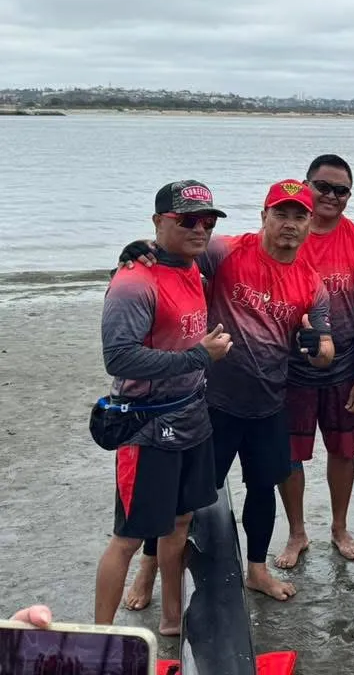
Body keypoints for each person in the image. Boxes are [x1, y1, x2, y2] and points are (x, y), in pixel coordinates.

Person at [119, 179, 335, 604]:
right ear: (264, 217)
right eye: (281, 214)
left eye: (299, 216)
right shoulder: (227, 251)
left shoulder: (313, 283)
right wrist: (138, 248)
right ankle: (147, 569)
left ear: (310, 223)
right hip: (212, 403)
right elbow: (177, 247)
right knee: (182, 498)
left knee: (263, 487)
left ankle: (256, 569)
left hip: (269, 405)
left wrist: (316, 350)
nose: (289, 224)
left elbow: (325, 349)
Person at [93, 181, 232, 635]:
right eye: (187, 220)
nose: (200, 229)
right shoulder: (134, 282)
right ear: (158, 222)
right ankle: (101, 637)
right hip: (147, 425)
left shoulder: (191, 266)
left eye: (207, 220)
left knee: (181, 522)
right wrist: (198, 357)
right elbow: (119, 357)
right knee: (130, 537)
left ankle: (173, 617)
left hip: (192, 415)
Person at [275, 155, 354, 567]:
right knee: (290, 456)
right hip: (290, 370)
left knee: (343, 451)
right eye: (323, 187)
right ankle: (297, 532)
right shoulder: (284, 235)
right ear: (306, 186)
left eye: (342, 191)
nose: (332, 197)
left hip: (343, 368)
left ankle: (339, 526)